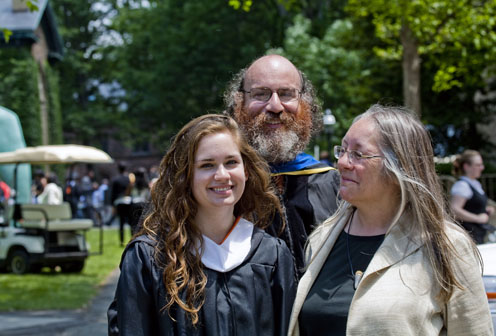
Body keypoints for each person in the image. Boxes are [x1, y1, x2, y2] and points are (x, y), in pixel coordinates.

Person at [288, 105, 493, 335]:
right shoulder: (322, 237)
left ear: (400, 168)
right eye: (342, 150)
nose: (342, 163)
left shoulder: (445, 245)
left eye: (358, 153)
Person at [107, 114, 296, 336]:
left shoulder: (271, 256)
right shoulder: (150, 258)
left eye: (231, 162)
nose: (222, 175)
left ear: (246, 170)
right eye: (207, 165)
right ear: (185, 176)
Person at [224, 54, 340, 278]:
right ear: (239, 104)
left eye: (286, 94)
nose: (275, 106)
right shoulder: (217, 185)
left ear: (304, 104)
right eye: (261, 94)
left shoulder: (337, 188)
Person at [450, 150, 496, 244]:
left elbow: (471, 207)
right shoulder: (462, 185)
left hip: (479, 234)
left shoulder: (475, 184)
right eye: (478, 165)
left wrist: (484, 210)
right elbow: (454, 210)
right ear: (466, 166)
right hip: (470, 237)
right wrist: (477, 218)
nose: (482, 168)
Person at [109, 162, 133, 245]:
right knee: (130, 222)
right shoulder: (129, 179)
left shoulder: (115, 179)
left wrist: (112, 204)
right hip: (128, 201)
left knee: (121, 222)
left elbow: (113, 193)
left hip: (119, 202)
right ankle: (132, 238)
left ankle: (121, 241)